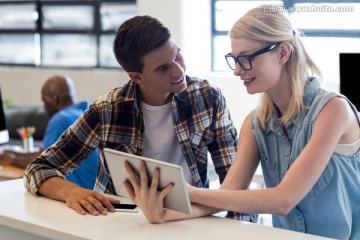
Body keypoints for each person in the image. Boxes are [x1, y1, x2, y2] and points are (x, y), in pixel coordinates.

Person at [123, 6, 360, 240]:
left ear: (282, 53)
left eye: (245, 59)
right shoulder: (256, 123)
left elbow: (283, 200)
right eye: (234, 60)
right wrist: (163, 215)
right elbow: (228, 194)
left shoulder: (333, 111)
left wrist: (191, 192)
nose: (237, 71)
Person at [24, 15, 255, 222]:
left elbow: (235, 182)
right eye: (163, 68)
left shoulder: (208, 97)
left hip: (189, 220)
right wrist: (71, 192)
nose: (178, 71)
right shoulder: (108, 110)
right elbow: (39, 168)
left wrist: (242, 231)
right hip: (121, 223)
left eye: (178, 55)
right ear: (136, 76)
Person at [1, 75, 98, 189]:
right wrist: (15, 154)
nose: (44, 107)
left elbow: (42, 161)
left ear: (54, 99)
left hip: (80, 192)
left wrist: (13, 159)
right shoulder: (84, 114)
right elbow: (45, 153)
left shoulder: (60, 119)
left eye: (44, 101)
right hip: (96, 190)